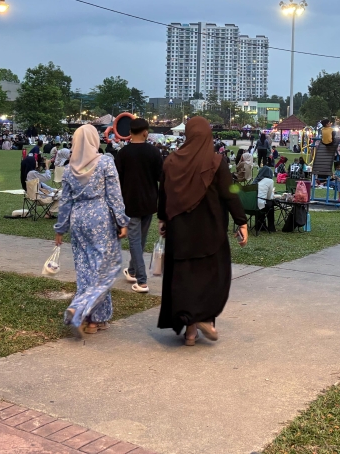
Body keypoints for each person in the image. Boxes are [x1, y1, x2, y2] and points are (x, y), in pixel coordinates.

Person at [158, 117, 248, 346]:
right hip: (210, 232)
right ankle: (205, 318)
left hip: (180, 233)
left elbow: (164, 193)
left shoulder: (170, 162)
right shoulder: (216, 162)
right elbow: (230, 192)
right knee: (212, 277)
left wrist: (162, 218)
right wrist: (242, 221)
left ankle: (190, 331)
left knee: (185, 278)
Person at [54, 125, 128, 337]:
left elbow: (65, 201)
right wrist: (122, 221)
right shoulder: (105, 162)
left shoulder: (69, 169)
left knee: (85, 267)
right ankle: (88, 314)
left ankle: (90, 315)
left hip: (79, 217)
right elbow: (114, 195)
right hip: (100, 217)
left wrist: (60, 228)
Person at [115, 117, 163, 294]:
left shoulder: (123, 154)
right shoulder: (154, 152)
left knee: (136, 241)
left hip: (130, 202)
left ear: (129, 133)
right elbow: (161, 177)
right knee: (139, 239)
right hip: (149, 201)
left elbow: (117, 181)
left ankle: (141, 281)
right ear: (145, 132)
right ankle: (133, 270)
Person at [253, 165, 276, 233]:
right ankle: (271, 227)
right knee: (271, 204)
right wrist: (272, 192)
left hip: (252, 206)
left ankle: (260, 224)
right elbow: (269, 197)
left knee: (262, 202)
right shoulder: (270, 181)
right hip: (260, 206)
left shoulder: (255, 180)